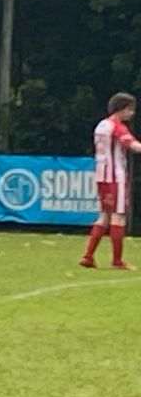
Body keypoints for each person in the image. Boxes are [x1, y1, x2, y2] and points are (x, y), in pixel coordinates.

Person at [79, 91, 141, 270]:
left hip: (101, 176)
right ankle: (117, 260)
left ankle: (88, 256)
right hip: (116, 176)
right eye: (130, 110)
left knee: (104, 216)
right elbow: (132, 145)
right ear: (122, 109)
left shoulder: (101, 125)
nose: (132, 114)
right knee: (118, 216)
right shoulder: (117, 126)